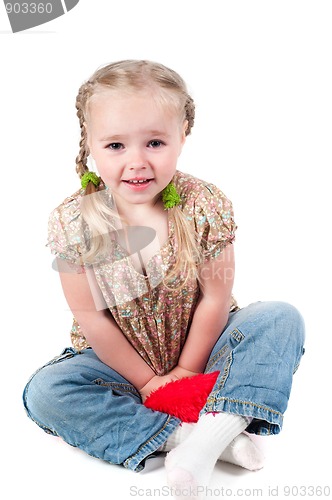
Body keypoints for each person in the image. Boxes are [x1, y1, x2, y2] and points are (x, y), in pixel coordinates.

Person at [23, 60, 305, 499]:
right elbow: (92, 320)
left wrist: (187, 371)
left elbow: (216, 297)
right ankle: (192, 440)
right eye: (115, 145)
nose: (137, 162)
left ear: (182, 136)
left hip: (205, 349)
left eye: (155, 142)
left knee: (279, 317)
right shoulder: (74, 221)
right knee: (46, 391)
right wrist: (150, 383)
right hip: (119, 364)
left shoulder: (203, 203)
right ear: (90, 145)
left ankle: (215, 423)